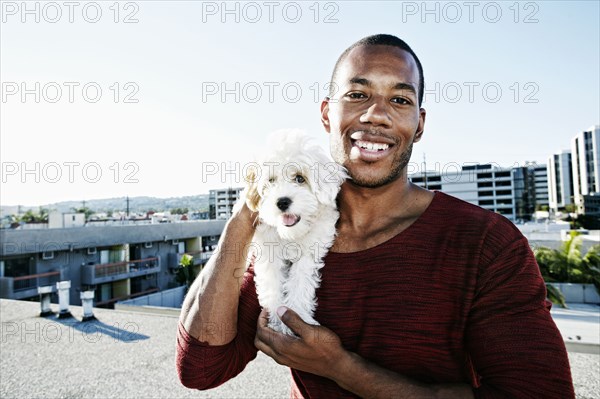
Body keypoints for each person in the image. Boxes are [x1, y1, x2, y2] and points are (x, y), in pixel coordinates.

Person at [177, 34, 575, 398]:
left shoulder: (486, 243)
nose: (375, 115)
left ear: (419, 124)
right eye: (357, 95)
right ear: (325, 114)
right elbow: (201, 368)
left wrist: (343, 369)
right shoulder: (288, 235)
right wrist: (246, 212)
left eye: (400, 100)